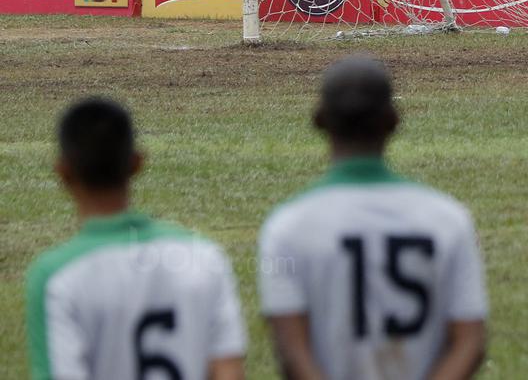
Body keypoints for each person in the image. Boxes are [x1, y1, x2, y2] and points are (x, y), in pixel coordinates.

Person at [258, 56, 486, 380]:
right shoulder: (450, 220)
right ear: (393, 120)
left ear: (319, 120)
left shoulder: (286, 228)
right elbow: (470, 343)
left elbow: (292, 353)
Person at [25, 98, 246, 380]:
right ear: (137, 163)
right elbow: (229, 371)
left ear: (63, 171)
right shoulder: (205, 256)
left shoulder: (54, 276)